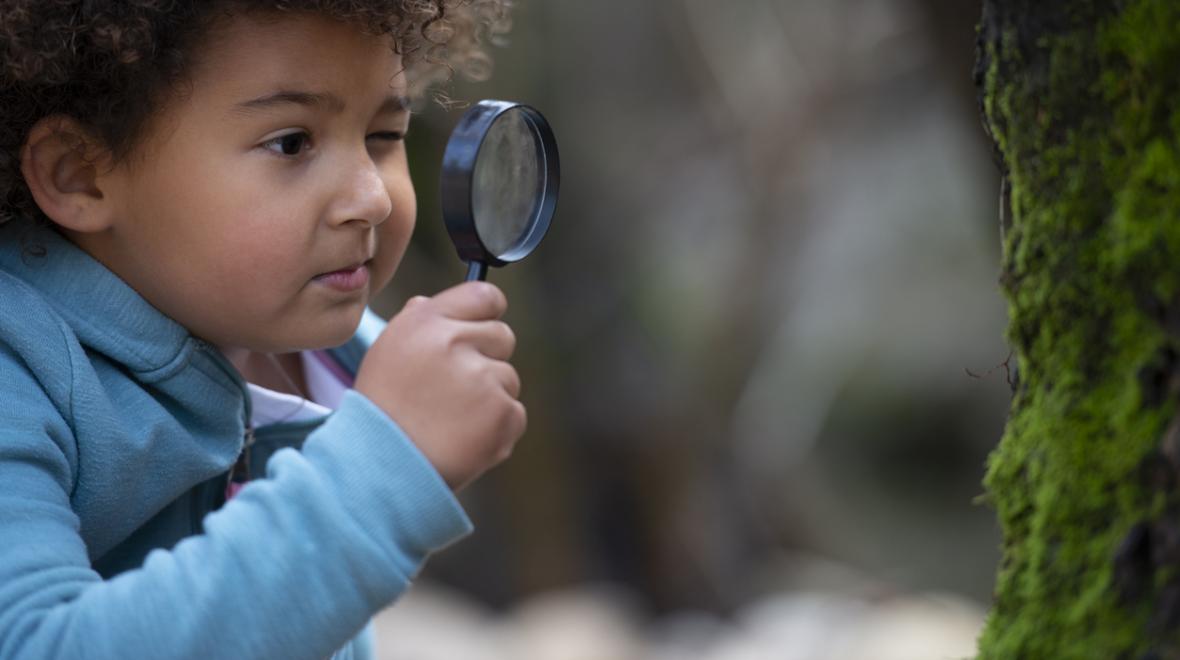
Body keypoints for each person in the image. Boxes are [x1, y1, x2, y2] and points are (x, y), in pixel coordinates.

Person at [0, 2, 524, 658]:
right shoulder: (16, 376)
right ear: (77, 172)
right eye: (292, 143)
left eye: (383, 136)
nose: (374, 197)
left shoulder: (347, 354)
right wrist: (376, 478)